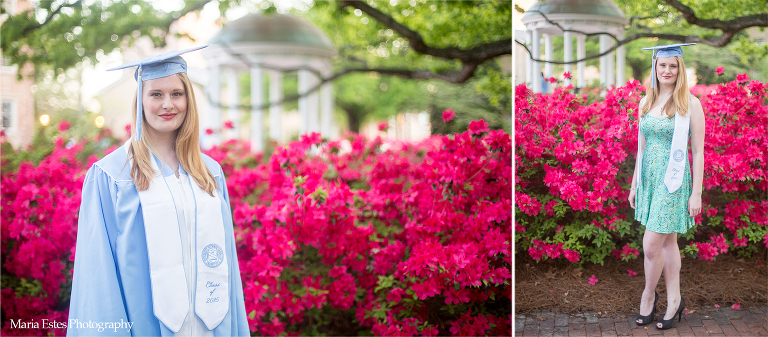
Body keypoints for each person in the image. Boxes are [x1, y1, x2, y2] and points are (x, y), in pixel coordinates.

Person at [67, 46, 250, 336]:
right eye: (156, 94)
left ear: (188, 100)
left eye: (177, 94)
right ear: (140, 100)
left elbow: (226, 267)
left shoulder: (210, 173)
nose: (168, 104)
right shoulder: (112, 176)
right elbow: (98, 276)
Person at [627, 43, 705, 330]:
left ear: (679, 69)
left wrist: (696, 192)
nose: (667, 70)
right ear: (655, 68)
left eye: (673, 65)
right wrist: (635, 184)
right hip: (649, 180)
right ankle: (675, 301)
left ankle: (648, 296)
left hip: (673, 182)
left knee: (650, 245)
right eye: (663, 65)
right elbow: (641, 148)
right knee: (668, 242)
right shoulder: (646, 101)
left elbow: (698, 151)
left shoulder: (690, 103)